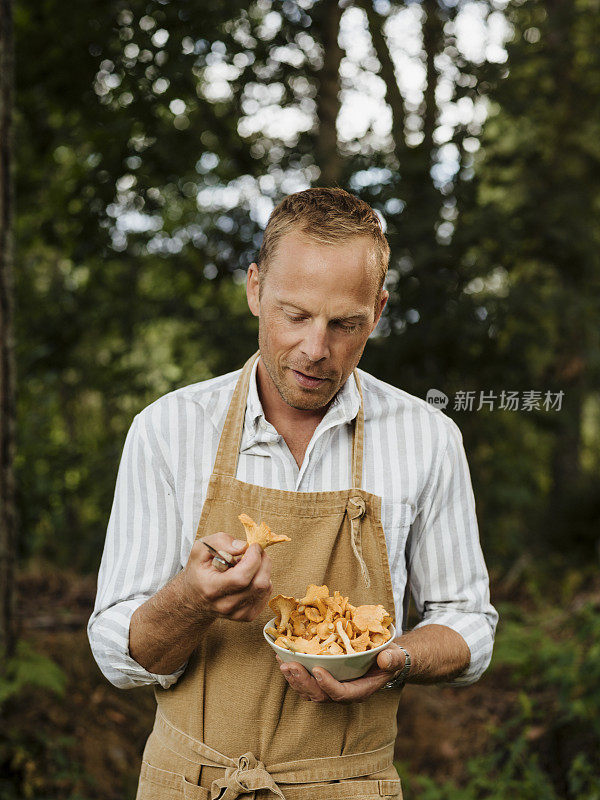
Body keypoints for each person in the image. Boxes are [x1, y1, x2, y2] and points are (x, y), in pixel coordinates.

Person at [88, 187, 498, 800]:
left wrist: (390, 662)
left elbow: (469, 623)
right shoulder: (168, 430)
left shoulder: (429, 439)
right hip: (192, 781)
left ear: (378, 312)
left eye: (345, 324)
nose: (316, 348)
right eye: (294, 314)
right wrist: (192, 599)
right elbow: (118, 656)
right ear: (255, 289)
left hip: (350, 784)